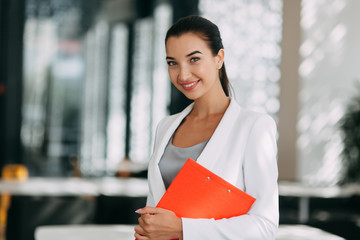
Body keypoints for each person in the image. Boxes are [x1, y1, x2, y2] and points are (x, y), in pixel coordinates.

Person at [134, 15, 279, 240]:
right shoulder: (166, 126)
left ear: (218, 58)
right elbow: (157, 210)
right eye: (173, 63)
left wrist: (183, 229)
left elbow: (264, 226)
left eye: (194, 59)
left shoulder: (254, 127)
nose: (182, 75)